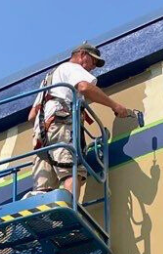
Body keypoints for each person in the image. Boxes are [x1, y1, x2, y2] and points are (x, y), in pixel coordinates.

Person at [27, 42, 140, 197]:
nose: (93, 67)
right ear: (82, 55)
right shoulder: (72, 68)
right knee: (73, 170)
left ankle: (43, 212)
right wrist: (115, 106)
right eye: (93, 61)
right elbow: (84, 87)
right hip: (61, 125)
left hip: (41, 135)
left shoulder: (48, 80)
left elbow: (32, 115)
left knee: (44, 187)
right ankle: (70, 210)